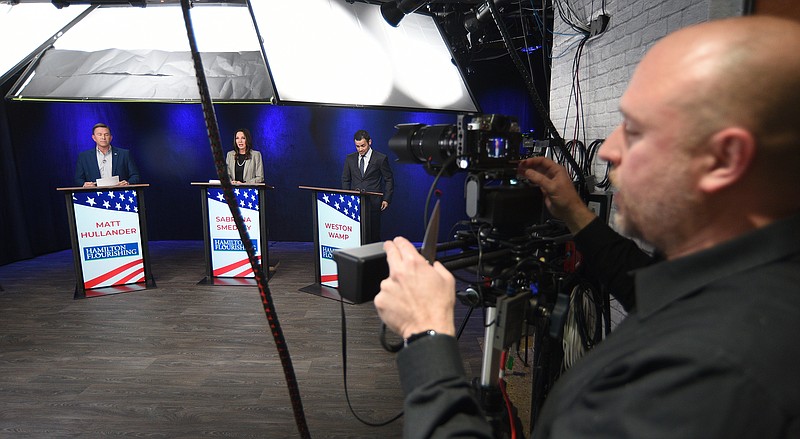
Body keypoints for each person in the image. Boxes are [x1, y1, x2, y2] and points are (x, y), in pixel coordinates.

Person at [374, 15, 800, 439]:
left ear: (724, 159)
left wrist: (426, 333)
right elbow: (647, 287)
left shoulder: (704, 378)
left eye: (634, 130)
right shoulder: (750, 280)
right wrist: (576, 213)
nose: (610, 149)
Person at [342, 129, 394, 243]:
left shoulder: (380, 158)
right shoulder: (350, 159)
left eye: (363, 146)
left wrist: (386, 199)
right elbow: (346, 180)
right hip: (355, 203)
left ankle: (374, 260)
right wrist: (347, 197)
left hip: (374, 203)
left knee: (373, 235)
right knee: (356, 235)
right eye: (357, 146)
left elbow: (389, 179)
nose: (360, 149)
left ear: (370, 142)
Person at [74, 123, 141, 187]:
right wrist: (84, 184)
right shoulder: (84, 156)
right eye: (99, 134)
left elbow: (135, 176)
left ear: (111, 137)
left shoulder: (124, 154)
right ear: (94, 138)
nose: (103, 137)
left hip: (119, 193)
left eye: (106, 134)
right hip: (94, 195)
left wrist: (128, 183)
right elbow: (78, 179)